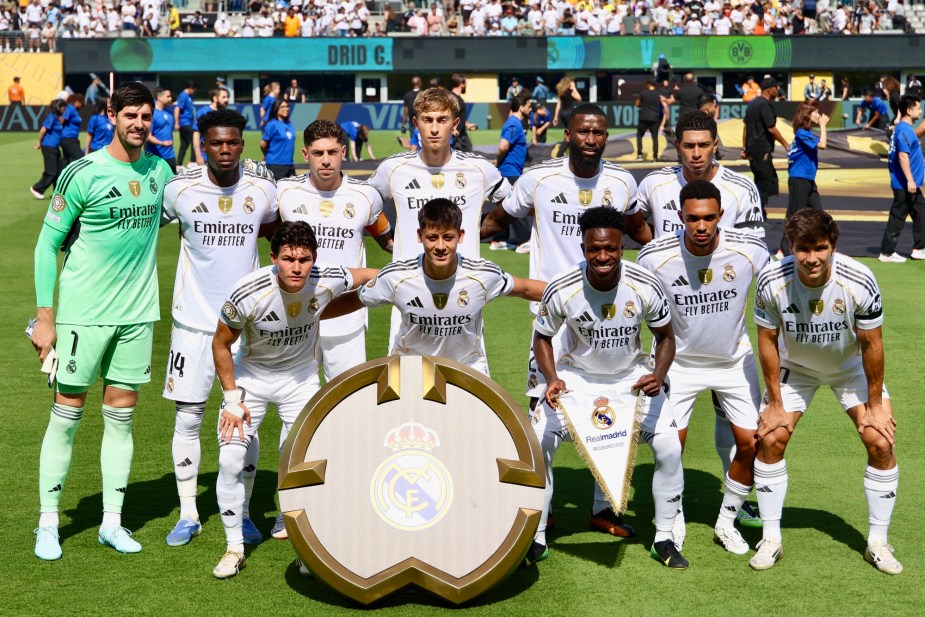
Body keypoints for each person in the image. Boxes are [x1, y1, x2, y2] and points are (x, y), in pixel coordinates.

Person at [30, 82, 173, 561]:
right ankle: (49, 523)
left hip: (137, 315)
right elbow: (47, 245)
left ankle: (112, 522)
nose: (139, 124)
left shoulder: (160, 170)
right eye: (130, 115)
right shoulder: (82, 172)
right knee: (66, 417)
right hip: (83, 315)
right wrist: (45, 318)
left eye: (145, 116)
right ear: (112, 115)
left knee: (122, 420)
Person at [210, 221, 375, 578]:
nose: (297, 267)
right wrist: (232, 399)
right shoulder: (248, 291)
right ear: (273, 258)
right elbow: (220, 344)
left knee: (304, 461)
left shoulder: (327, 277)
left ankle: (305, 547)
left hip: (300, 380)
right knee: (230, 459)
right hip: (251, 379)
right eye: (288, 259)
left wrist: (413, 278)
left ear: (314, 258)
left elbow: (371, 276)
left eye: (304, 259)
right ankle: (234, 548)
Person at [528, 206, 685, 568]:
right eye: (594, 249)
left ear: (622, 246)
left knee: (669, 448)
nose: (602, 257)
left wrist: (658, 374)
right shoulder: (562, 287)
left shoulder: (644, 284)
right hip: (575, 379)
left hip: (631, 379)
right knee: (537, 446)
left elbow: (665, 337)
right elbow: (542, 338)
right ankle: (535, 538)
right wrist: (552, 378)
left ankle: (664, 538)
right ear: (583, 247)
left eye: (610, 249)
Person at [751, 208, 902, 575]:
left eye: (820, 248)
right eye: (803, 249)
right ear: (790, 247)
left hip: (849, 366)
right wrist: (774, 402)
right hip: (797, 367)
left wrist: (876, 403)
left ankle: (878, 543)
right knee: (771, 438)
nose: (812, 258)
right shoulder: (771, 279)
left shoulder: (859, 279)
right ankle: (770, 538)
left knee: (880, 441)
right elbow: (767, 342)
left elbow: (872, 344)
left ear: (833, 245)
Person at [161, 108, 279, 548]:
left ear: (242, 145)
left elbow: (275, 234)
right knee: (188, 415)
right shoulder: (179, 190)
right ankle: (188, 513)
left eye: (231, 142)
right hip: (192, 323)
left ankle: (243, 512)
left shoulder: (263, 190)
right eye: (216, 143)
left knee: (245, 421)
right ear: (203, 145)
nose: (224, 150)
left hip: (246, 327)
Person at [637, 180, 770, 556]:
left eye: (709, 218)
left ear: (721, 216)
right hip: (679, 364)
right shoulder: (653, 257)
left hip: (733, 361)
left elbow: (778, 287)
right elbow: (636, 305)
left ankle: (726, 522)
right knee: (669, 448)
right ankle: (673, 517)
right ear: (680, 216)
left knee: (753, 444)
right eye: (693, 218)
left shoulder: (750, 251)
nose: (701, 226)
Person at [325, 199, 545, 375]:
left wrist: (564, 294)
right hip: (409, 366)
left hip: (467, 367)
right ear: (420, 236)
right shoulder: (396, 276)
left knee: (482, 419)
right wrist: (313, 316)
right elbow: (356, 299)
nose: (440, 246)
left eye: (448, 237)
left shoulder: (483, 275)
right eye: (432, 237)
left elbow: (525, 288)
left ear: (461, 236)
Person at [277, 119, 393, 383]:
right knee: (296, 399)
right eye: (318, 153)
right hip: (296, 317)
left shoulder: (365, 196)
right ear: (305, 154)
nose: (326, 160)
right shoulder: (284, 193)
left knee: (349, 400)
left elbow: (389, 242)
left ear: (343, 152)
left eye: (332, 152)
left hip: (347, 316)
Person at [369, 87, 511, 265]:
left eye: (442, 120)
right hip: (407, 277)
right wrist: (387, 239)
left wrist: (478, 229)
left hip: (464, 278)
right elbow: (364, 203)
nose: (434, 129)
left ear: (455, 123)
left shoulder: (479, 168)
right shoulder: (392, 168)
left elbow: (513, 205)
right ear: (416, 123)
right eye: (427, 120)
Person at [639, 111, 764, 240]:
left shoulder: (742, 188)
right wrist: (662, 247)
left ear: (715, 146)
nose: (696, 154)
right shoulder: (654, 183)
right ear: (678, 147)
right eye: (689, 146)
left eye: (704, 145)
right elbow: (635, 227)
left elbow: (752, 244)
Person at [878, 94, 925, 262]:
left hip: (909, 184)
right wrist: (910, 180)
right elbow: (902, 157)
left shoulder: (904, 129)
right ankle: (886, 252)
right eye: (918, 108)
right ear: (909, 111)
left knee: (921, 213)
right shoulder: (904, 130)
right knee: (897, 217)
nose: (921, 111)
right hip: (905, 185)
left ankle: (919, 248)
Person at [783, 101, 829, 256]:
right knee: (795, 215)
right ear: (807, 115)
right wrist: (823, 125)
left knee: (819, 214)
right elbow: (822, 144)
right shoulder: (802, 133)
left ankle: (819, 246)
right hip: (799, 179)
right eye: (815, 112)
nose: (818, 115)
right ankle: (785, 249)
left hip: (808, 180)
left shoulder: (806, 133)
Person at [743, 77, 789, 215]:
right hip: (761, 150)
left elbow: (745, 128)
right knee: (766, 182)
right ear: (770, 90)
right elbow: (771, 128)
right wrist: (786, 144)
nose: (778, 90)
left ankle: (758, 211)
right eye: (776, 87)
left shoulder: (752, 104)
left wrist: (744, 148)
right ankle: (757, 213)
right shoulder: (764, 105)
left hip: (752, 150)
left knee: (760, 180)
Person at [30, 99, 66, 200]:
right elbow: (43, 130)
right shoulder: (51, 116)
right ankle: (37, 189)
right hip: (49, 146)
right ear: (59, 107)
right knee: (51, 171)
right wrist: (39, 143)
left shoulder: (57, 117)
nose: (65, 109)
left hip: (55, 147)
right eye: (64, 107)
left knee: (59, 170)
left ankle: (58, 192)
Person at [191, 87, 230, 166]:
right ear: (215, 98)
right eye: (223, 97)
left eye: (227, 97)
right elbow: (196, 134)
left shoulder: (225, 113)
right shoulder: (203, 112)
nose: (226, 100)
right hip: (206, 156)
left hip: (222, 155)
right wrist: (198, 156)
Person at [260, 99, 296, 180]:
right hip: (275, 165)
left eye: (287, 106)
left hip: (290, 164)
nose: (286, 109)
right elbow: (263, 144)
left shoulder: (290, 124)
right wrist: (265, 154)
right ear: (276, 109)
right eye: (282, 107)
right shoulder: (272, 124)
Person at [145, 87, 177, 173]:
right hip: (155, 156)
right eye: (168, 96)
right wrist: (162, 143)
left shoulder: (169, 113)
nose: (170, 98)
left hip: (170, 155)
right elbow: (147, 136)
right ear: (159, 97)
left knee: (173, 180)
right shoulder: (151, 114)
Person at [635, 80, 665, 162]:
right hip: (654, 118)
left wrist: (643, 105)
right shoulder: (658, 93)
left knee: (639, 135)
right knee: (655, 138)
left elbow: (637, 104)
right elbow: (664, 104)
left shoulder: (643, 93)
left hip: (644, 117)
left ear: (648, 84)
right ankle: (655, 157)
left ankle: (639, 155)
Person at [450, 73, 477, 153]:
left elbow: (459, 117)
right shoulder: (451, 98)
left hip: (462, 136)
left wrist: (467, 124)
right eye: (465, 84)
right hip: (454, 137)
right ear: (462, 84)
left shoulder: (459, 99)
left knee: (468, 154)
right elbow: (446, 115)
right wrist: (452, 129)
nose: (466, 86)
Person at [174, 82, 196, 167]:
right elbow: (177, 109)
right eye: (194, 90)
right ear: (190, 88)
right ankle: (192, 162)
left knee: (184, 144)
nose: (194, 92)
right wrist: (177, 122)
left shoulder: (190, 96)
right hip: (184, 122)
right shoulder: (183, 95)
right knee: (195, 138)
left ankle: (179, 165)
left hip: (189, 122)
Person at [60, 94, 85, 167]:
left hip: (70, 138)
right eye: (81, 103)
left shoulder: (73, 110)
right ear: (77, 101)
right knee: (80, 159)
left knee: (68, 161)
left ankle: (61, 173)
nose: (82, 106)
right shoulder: (70, 108)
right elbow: (62, 120)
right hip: (68, 138)